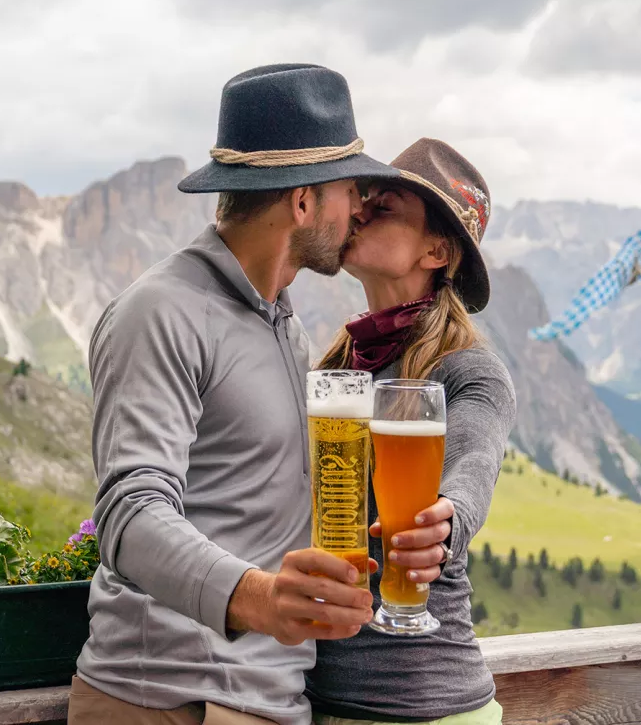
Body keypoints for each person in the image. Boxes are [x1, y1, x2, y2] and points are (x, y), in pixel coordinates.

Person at [69, 64, 444, 725]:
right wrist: (255, 595)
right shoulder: (161, 310)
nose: (360, 206)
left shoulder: (287, 329)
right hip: (167, 701)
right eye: (350, 188)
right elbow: (129, 512)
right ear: (302, 202)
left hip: (270, 703)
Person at [307, 138, 516, 724]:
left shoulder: (468, 369)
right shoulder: (338, 368)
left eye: (387, 205)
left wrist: (446, 524)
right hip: (320, 698)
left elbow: (474, 466)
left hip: (425, 704)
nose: (361, 210)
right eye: (365, 198)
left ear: (437, 251)